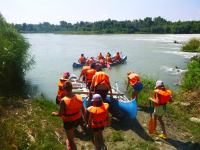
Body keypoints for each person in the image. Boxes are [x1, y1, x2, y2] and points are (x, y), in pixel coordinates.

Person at [52, 80, 86, 150]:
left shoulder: (63, 100)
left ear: (64, 90)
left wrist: (54, 114)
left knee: (70, 139)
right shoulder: (79, 97)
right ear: (72, 88)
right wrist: (85, 118)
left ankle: (71, 144)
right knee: (72, 131)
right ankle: (70, 142)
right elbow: (83, 110)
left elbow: (60, 114)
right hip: (78, 120)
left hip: (69, 121)